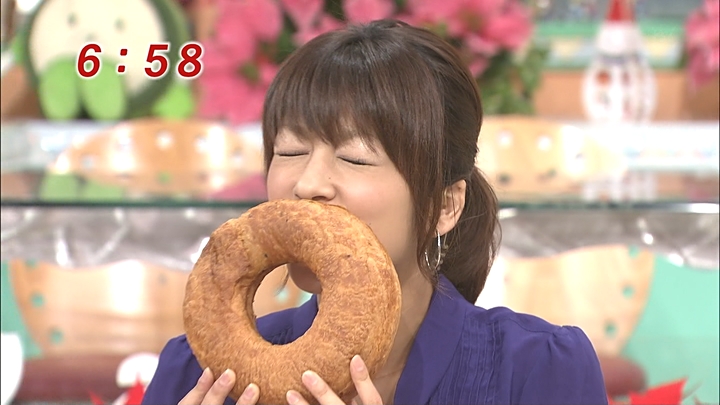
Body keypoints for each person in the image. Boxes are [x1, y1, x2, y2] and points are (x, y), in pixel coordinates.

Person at [142, 19, 608, 405]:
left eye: (355, 157)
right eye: (289, 151)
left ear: (444, 205)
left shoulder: (537, 371)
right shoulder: (196, 375)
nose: (307, 184)